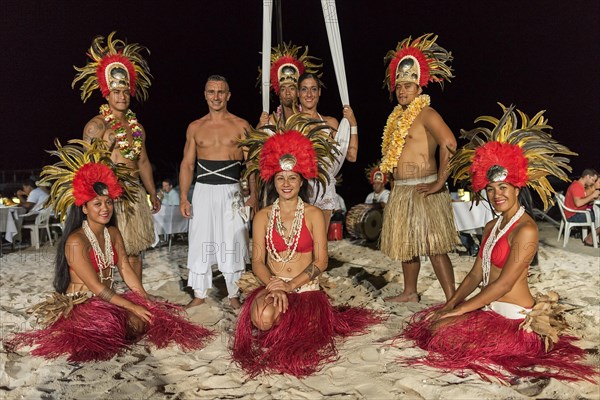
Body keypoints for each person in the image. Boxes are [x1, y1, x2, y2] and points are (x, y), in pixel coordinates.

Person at [400, 105, 596, 383]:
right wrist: (451, 303)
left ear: (517, 187)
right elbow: (476, 274)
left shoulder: (526, 229)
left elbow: (503, 285)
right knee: (436, 326)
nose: (496, 194)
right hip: (488, 309)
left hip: (513, 319)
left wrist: (462, 310)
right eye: (490, 189)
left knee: (445, 334)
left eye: (503, 187)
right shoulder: (492, 226)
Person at [4, 141, 214, 362]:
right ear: (84, 208)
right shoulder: (76, 241)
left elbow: (125, 267)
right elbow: (96, 287)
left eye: (108, 202)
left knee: (149, 315)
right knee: (123, 322)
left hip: (108, 300)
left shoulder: (113, 232)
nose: (105, 208)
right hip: (83, 304)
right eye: (97, 204)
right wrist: (131, 304)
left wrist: (143, 297)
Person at [232, 114, 383, 377]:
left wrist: (290, 286)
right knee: (262, 319)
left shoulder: (313, 214)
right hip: (272, 282)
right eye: (281, 178)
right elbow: (257, 261)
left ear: (302, 180)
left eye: (292, 178)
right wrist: (275, 285)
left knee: (303, 332)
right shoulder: (263, 216)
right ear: (273, 180)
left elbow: (321, 262)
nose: (287, 184)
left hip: (305, 288)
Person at [73, 32, 160, 282]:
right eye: (116, 91)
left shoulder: (137, 128)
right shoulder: (96, 127)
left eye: (126, 91)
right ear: (106, 92)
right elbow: (86, 169)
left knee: (135, 249)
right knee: (105, 249)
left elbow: (142, 161)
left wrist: (152, 192)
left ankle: (138, 299)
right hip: (108, 196)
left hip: (134, 194)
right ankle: (107, 300)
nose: (122, 96)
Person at [379, 34, 458, 303]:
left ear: (419, 89)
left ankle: (451, 298)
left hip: (425, 188)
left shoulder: (426, 113)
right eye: (399, 86)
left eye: (408, 86)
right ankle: (410, 292)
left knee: (435, 245)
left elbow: (449, 143)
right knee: (406, 244)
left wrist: (440, 182)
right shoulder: (397, 118)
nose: (402, 91)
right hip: (401, 190)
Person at [179, 75, 255, 310]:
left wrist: (253, 195)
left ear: (228, 95)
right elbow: (187, 164)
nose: (216, 96)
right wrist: (183, 196)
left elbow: (252, 164)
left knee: (233, 238)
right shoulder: (195, 127)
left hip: (231, 190)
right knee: (200, 238)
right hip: (202, 190)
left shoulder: (241, 125)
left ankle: (234, 292)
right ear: (205, 95)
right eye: (211, 92)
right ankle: (200, 292)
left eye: (220, 92)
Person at [297, 72, 358, 227]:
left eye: (313, 89)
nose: (309, 94)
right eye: (304, 89)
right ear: (298, 93)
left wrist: (353, 124)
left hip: (325, 188)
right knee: (300, 242)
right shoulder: (291, 124)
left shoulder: (330, 123)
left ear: (319, 92)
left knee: (320, 243)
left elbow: (351, 156)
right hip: (299, 188)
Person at [257, 43, 321, 127]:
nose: (287, 93)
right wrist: (261, 126)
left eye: (292, 88)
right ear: (279, 93)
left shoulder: (309, 120)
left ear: (298, 92)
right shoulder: (270, 121)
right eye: (283, 89)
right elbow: (254, 138)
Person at [564, 169, 599, 245]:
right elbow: (578, 203)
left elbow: (581, 201)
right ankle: (590, 238)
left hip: (574, 213)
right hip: (574, 215)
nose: (593, 182)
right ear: (587, 176)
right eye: (593, 180)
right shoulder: (577, 186)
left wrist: (591, 199)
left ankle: (591, 237)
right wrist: (592, 195)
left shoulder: (579, 185)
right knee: (598, 217)